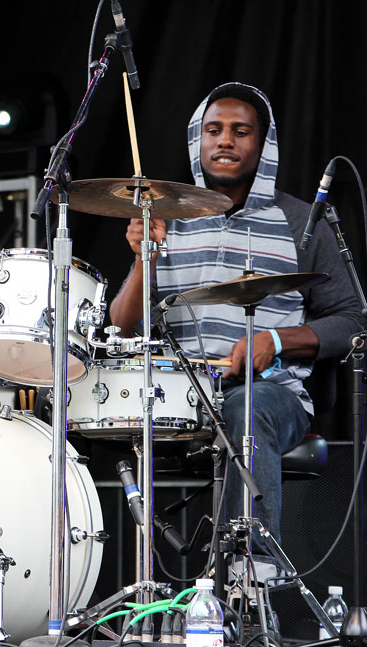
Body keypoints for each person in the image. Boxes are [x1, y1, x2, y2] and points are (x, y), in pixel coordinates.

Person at [109, 82, 361, 571]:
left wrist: (275, 340)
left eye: (240, 132)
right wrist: (146, 258)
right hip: (182, 400)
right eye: (213, 130)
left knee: (246, 407)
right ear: (196, 140)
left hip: (274, 396)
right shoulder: (167, 221)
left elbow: (352, 321)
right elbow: (122, 325)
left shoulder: (301, 221)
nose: (225, 141)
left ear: (263, 145)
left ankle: (250, 570)